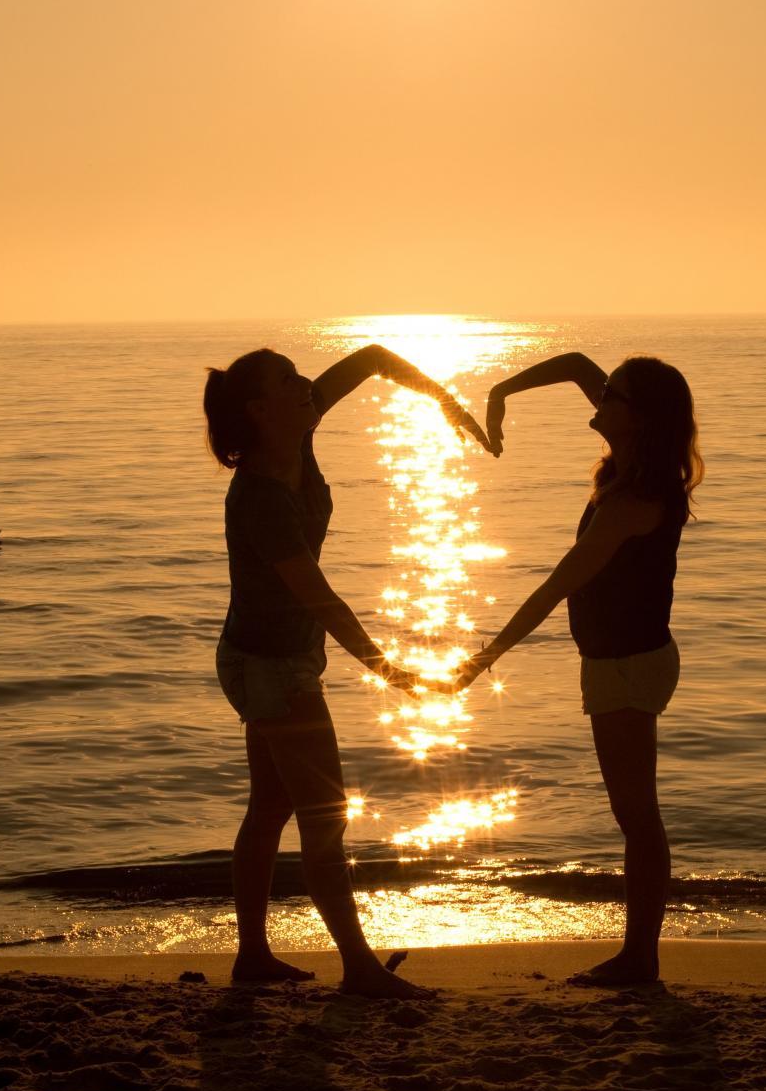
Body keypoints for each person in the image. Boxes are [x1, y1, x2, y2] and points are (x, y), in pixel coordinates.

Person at [204, 343, 490, 996]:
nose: (306, 383)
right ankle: (358, 968)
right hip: (272, 667)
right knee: (324, 815)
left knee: (273, 805)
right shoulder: (261, 499)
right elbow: (320, 598)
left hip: (267, 657)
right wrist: (391, 671)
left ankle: (253, 956)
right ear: (259, 409)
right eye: (289, 380)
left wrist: (441, 398)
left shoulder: (295, 431)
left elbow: (369, 358)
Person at [455, 352, 703, 985]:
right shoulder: (633, 458)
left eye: (612, 393)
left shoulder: (635, 499)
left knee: (637, 816)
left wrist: (486, 657)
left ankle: (639, 959)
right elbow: (574, 364)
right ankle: (638, 956)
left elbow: (557, 585)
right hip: (622, 660)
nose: (599, 397)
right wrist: (501, 389)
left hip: (627, 665)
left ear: (637, 415)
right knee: (636, 813)